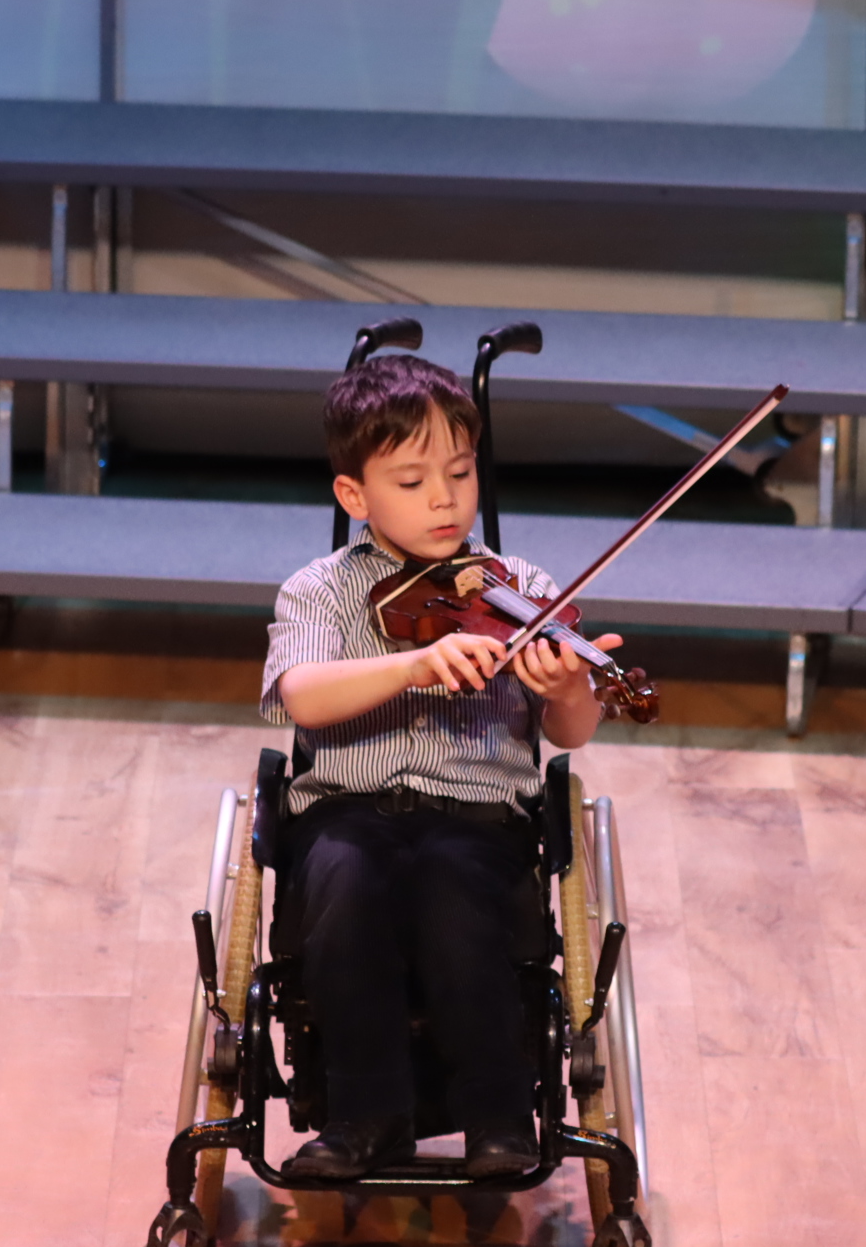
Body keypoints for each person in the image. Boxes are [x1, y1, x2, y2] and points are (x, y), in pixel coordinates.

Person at [260, 354, 618, 1181]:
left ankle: (499, 1117)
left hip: (478, 817)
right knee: (347, 886)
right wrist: (412, 666)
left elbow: (571, 732)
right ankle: (364, 1117)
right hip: (347, 812)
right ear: (354, 495)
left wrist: (570, 688)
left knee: (456, 891)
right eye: (413, 481)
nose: (445, 500)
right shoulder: (319, 590)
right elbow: (301, 695)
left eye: (460, 473)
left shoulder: (520, 588)